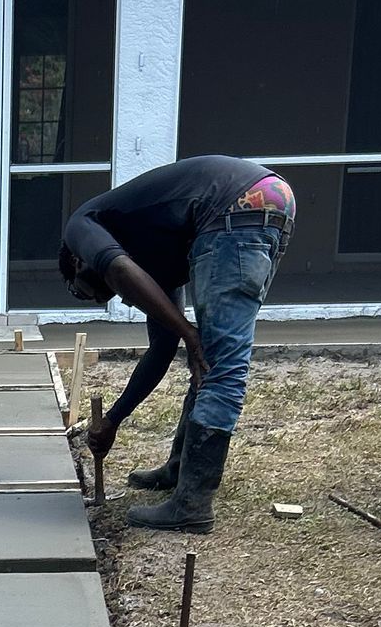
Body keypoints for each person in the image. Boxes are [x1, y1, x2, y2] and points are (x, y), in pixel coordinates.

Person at [57, 158, 296, 533]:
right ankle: (180, 471)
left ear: (77, 260)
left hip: (234, 207)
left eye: (85, 291)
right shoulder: (156, 256)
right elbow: (161, 348)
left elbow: (119, 270)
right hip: (265, 202)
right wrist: (113, 420)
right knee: (206, 360)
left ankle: (192, 505)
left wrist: (188, 331)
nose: (104, 297)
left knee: (219, 367)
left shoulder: (81, 227)